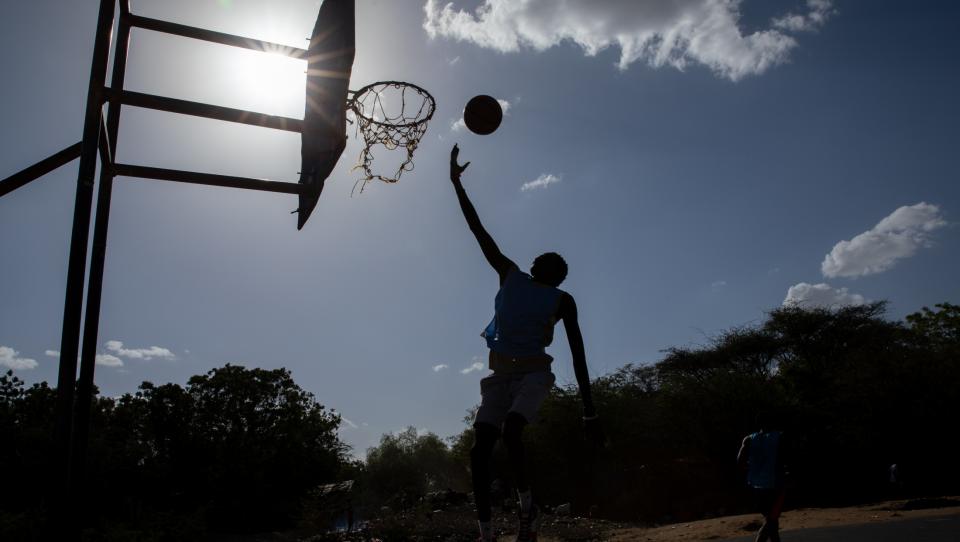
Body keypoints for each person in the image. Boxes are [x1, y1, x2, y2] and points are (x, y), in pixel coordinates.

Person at [448, 145, 604, 542]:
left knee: (513, 433)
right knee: (478, 451)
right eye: (538, 259)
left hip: (534, 373)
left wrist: (589, 411)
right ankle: (485, 531)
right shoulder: (510, 275)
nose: (536, 262)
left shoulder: (561, 301)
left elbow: (578, 353)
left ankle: (527, 512)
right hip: (500, 375)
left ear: (554, 275)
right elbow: (477, 230)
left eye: (545, 262)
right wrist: (457, 185)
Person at [737, 421, 788, 542]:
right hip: (775, 485)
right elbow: (786, 458)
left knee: (772, 521)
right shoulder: (779, 437)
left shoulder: (749, 439)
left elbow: (740, 461)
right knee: (770, 521)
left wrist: (753, 469)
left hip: (755, 485)